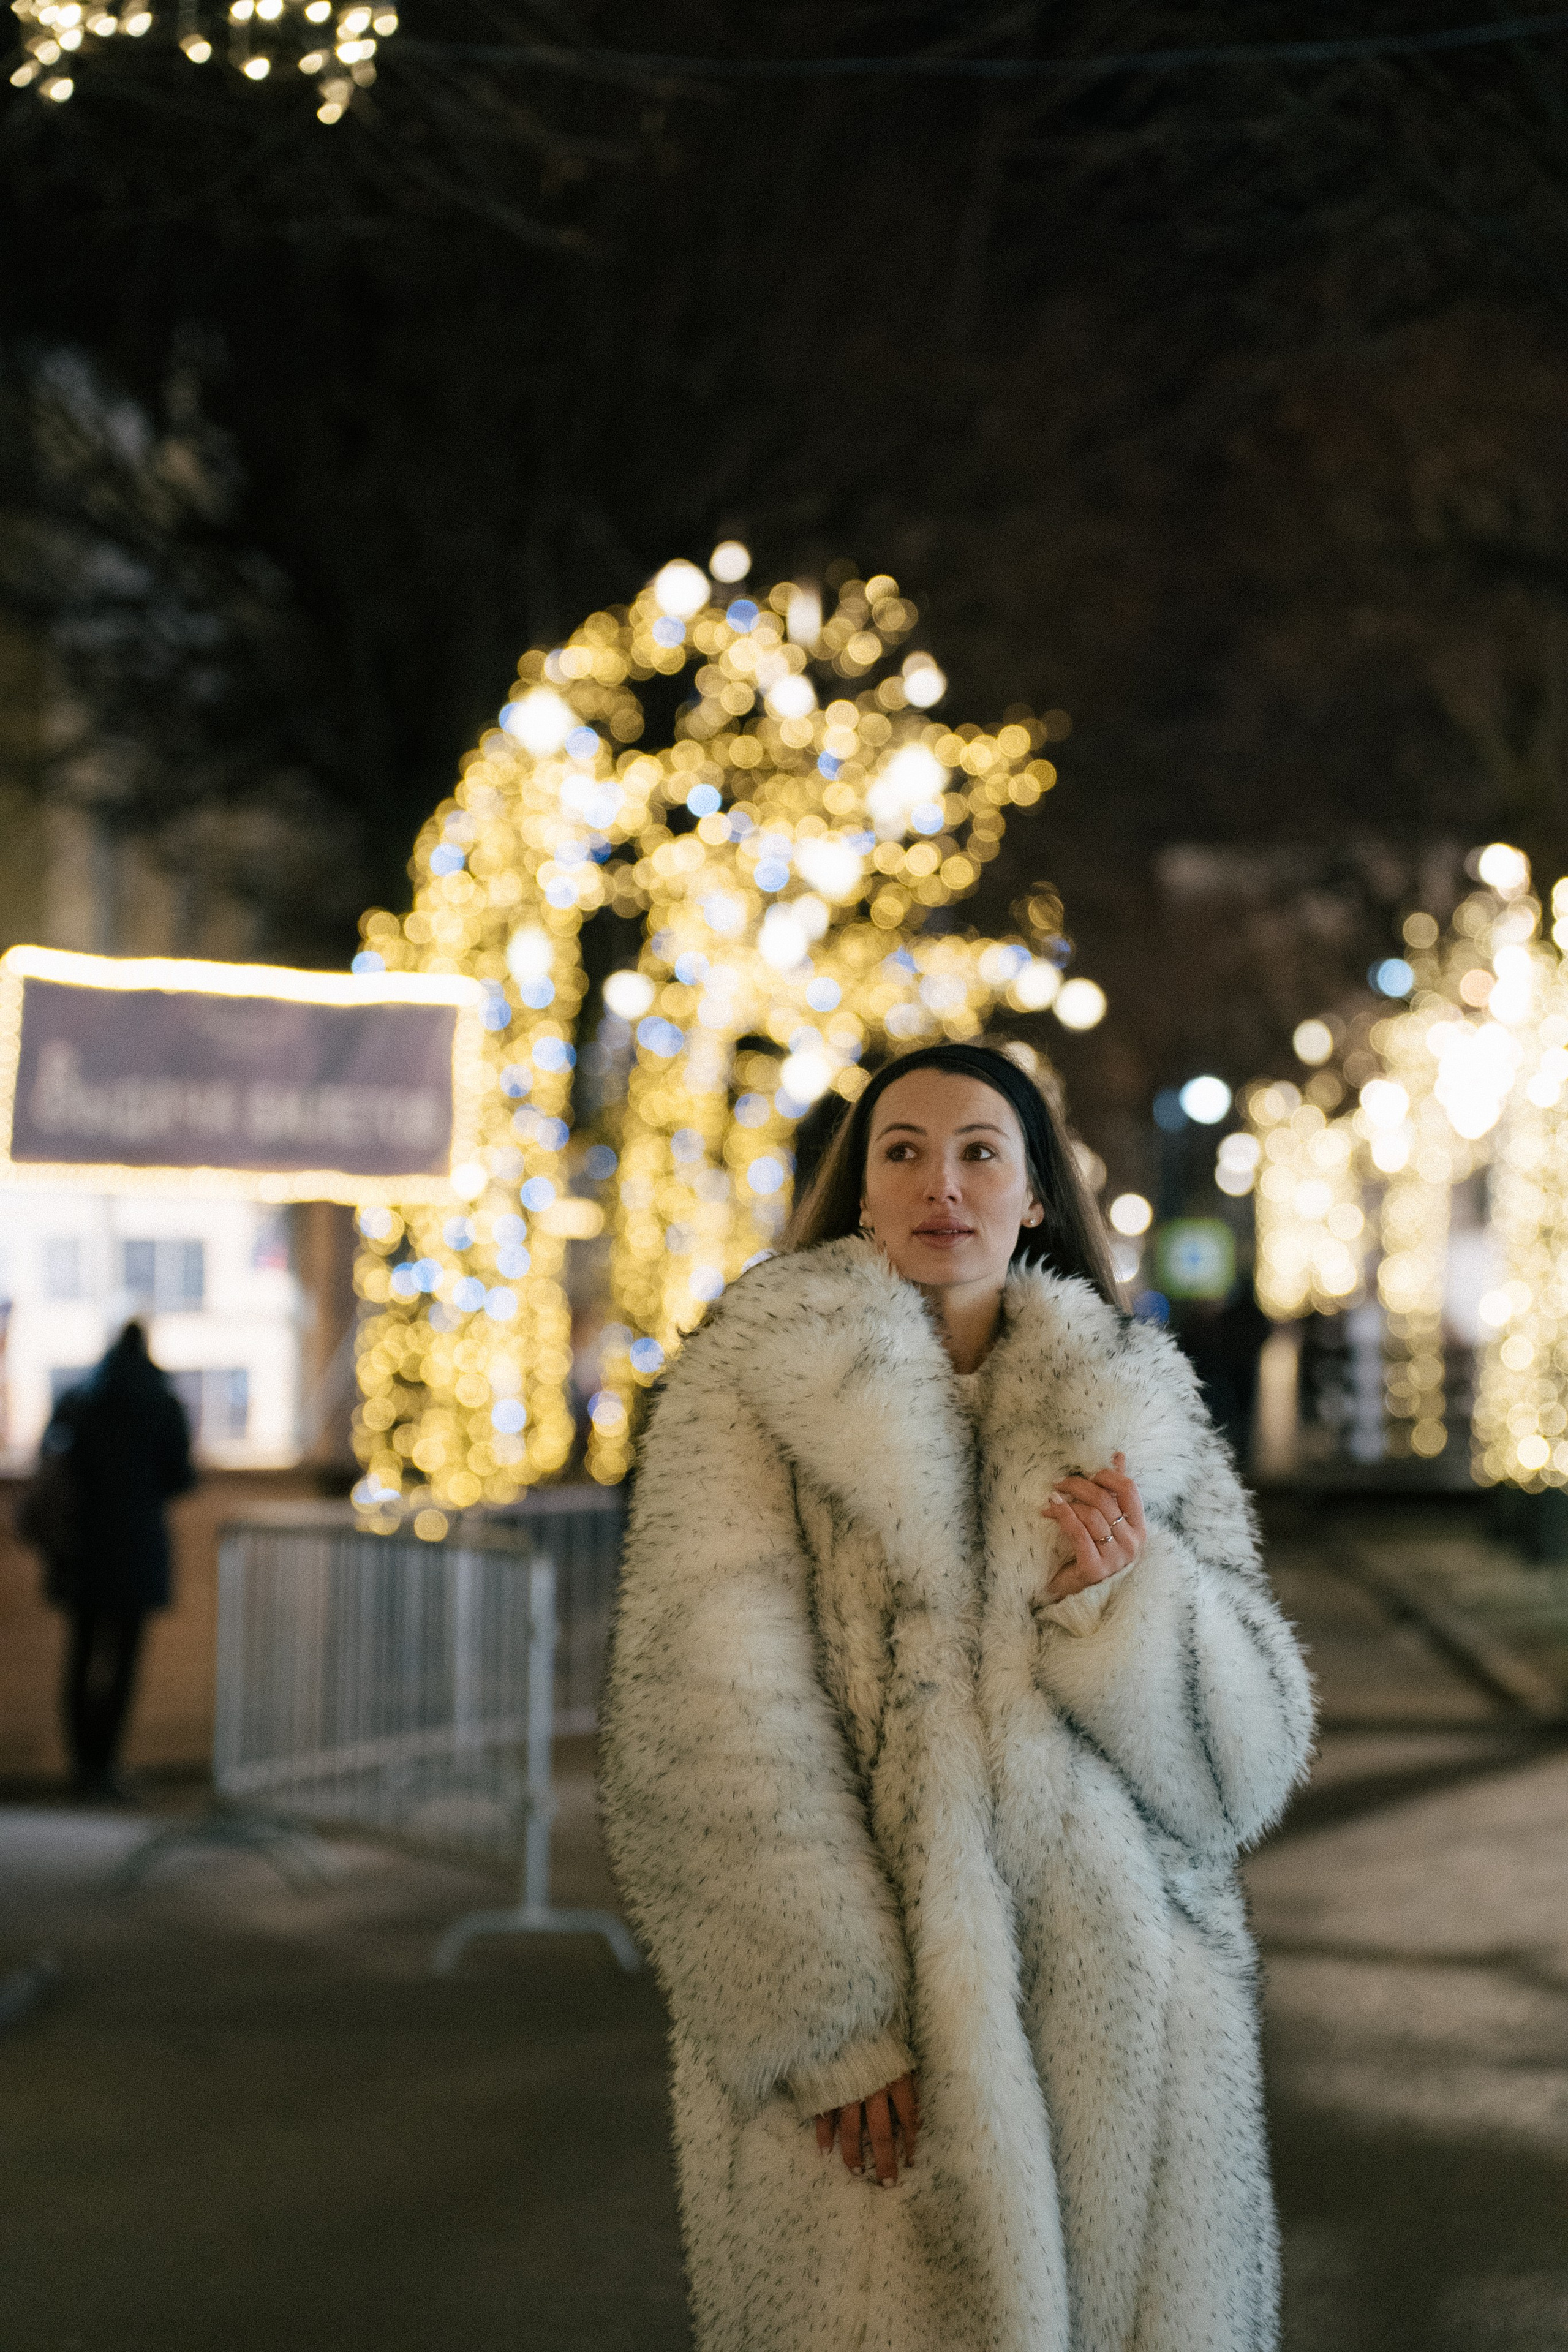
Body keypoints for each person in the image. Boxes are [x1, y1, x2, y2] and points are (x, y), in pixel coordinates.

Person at [601, 1041, 1314, 2352]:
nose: (943, 1184)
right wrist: (824, 2015)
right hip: (879, 2068)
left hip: (1133, 2058)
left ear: (1036, 1192)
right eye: (903, 1150)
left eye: (981, 1151)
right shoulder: (753, 1392)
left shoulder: (1134, 1408)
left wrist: (1119, 1609)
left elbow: (1239, 1774)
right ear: (860, 1187)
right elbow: (707, 1726)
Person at [32, 1322, 195, 1801]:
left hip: (81, 1550)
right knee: (122, 1664)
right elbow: (180, 1478)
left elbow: (50, 1466)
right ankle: (106, 1769)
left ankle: (82, 1768)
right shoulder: (162, 1404)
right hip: (137, 1550)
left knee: (81, 1657)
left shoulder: (78, 1400)